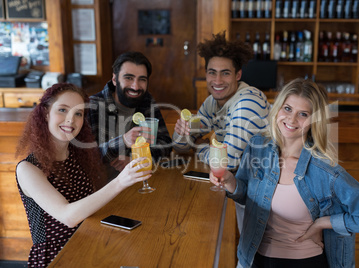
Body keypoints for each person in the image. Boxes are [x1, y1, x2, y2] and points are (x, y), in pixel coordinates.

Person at [210, 78, 359, 268]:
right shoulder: (257, 147)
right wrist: (230, 181)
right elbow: (247, 196)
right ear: (278, 108)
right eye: (287, 108)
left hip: (304, 262)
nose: (292, 119)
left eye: (303, 114)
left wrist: (323, 223)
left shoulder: (324, 171)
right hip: (253, 258)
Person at [15, 83, 152, 267]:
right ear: (46, 113)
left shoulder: (78, 155)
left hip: (91, 245)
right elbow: (68, 217)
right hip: (57, 258)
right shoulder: (28, 169)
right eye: (62, 110)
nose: (70, 120)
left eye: (78, 113)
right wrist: (121, 182)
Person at [173, 31, 270, 235]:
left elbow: (228, 163)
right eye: (212, 72)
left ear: (238, 75)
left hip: (265, 196)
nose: (217, 80)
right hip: (241, 188)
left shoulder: (247, 103)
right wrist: (182, 132)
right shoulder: (213, 102)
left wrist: (198, 147)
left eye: (225, 73)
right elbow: (181, 147)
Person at [89, 51, 172, 180]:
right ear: (115, 79)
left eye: (142, 79)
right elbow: (86, 156)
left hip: (136, 183)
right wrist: (122, 141)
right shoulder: (92, 105)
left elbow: (166, 144)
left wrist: (135, 159)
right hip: (100, 188)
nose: (136, 86)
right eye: (129, 78)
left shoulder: (147, 101)